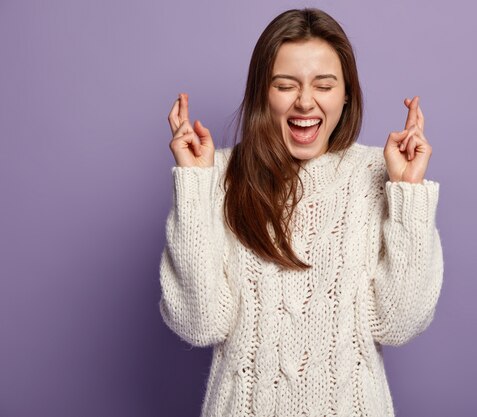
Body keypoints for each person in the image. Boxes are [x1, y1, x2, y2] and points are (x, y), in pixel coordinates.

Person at [159, 7, 444, 417]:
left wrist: (408, 191)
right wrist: (192, 186)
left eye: (324, 85)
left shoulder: (379, 174)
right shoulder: (216, 174)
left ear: (346, 94)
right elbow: (199, 323)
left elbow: (399, 323)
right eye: (285, 85)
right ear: (263, 92)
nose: (305, 102)